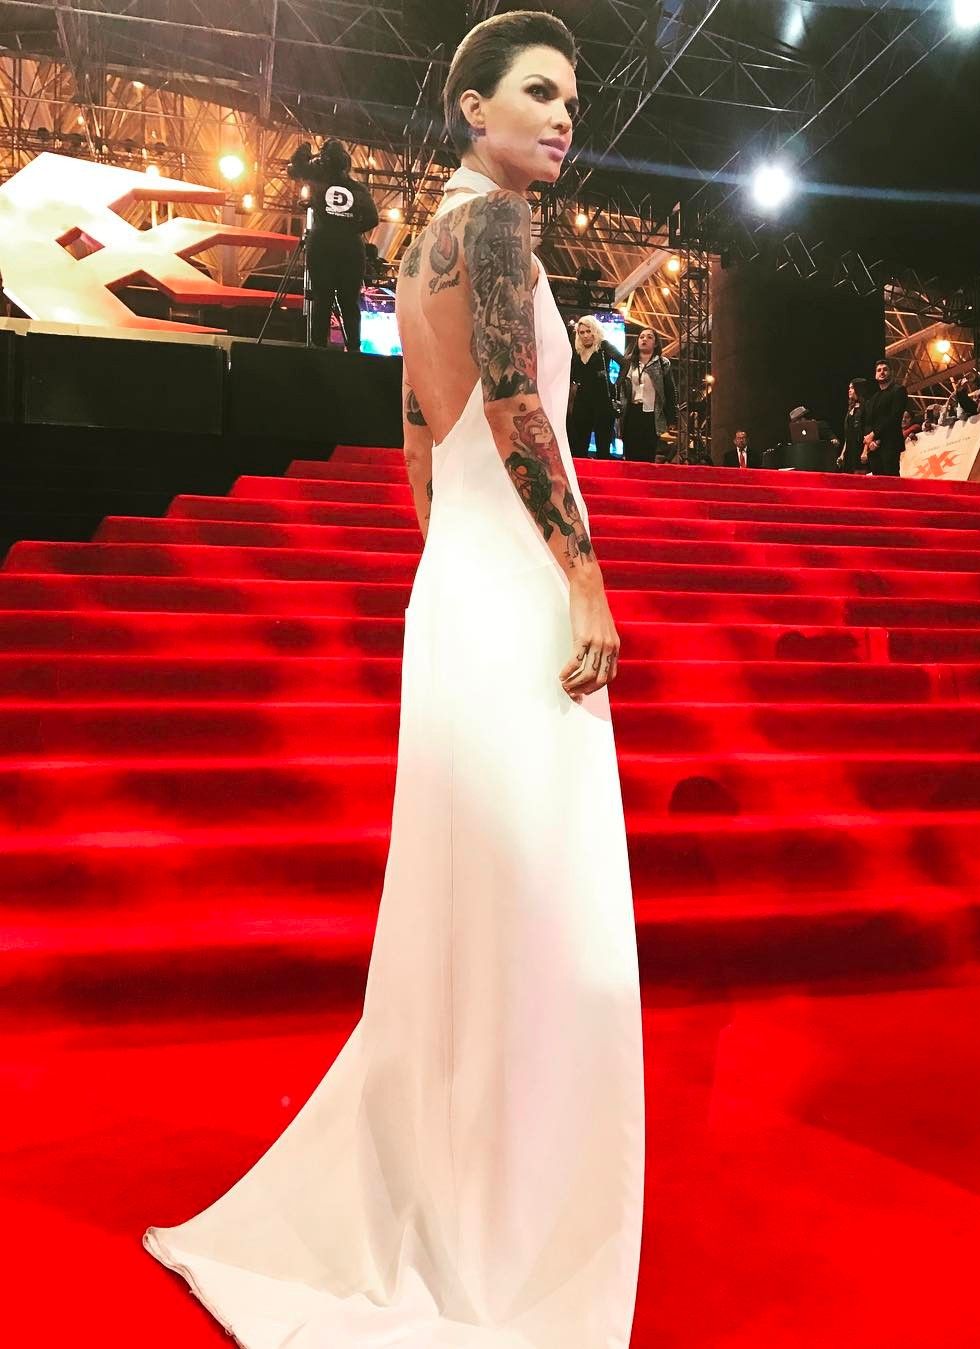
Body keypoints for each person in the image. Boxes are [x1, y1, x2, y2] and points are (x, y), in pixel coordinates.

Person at [144, 11, 646, 1349]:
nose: (565, 115)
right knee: (533, 910)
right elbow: (514, 407)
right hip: (515, 584)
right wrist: (581, 577)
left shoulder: (425, 237)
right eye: (539, 92)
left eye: (573, 97)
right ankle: (502, 1217)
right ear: (473, 106)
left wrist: (450, 558)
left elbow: (416, 424)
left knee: (468, 907)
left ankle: (452, 1181)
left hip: (457, 588)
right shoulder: (499, 230)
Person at [287, 138, 379, 350]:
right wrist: (350, 228)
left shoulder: (317, 179)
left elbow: (296, 164)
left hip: (322, 245)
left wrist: (305, 147)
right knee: (350, 302)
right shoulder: (359, 189)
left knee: (322, 298)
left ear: (324, 160)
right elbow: (373, 219)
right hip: (351, 249)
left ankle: (319, 348)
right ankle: (354, 350)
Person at [617, 326, 676, 462]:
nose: (644, 339)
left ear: (655, 344)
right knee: (630, 452)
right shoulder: (629, 362)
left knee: (647, 452)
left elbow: (670, 391)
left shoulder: (662, 363)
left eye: (649, 337)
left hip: (651, 414)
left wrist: (672, 418)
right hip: (631, 412)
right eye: (642, 337)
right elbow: (620, 385)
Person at [568, 313, 622, 458]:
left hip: (603, 401)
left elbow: (624, 363)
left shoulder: (603, 346)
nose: (585, 335)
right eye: (582, 332)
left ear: (595, 331)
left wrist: (616, 385)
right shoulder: (577, 350)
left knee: (603, 447)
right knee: (578, 447)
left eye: (589, 331)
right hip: (582, 401)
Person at [863, 357, 909, 475]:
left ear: (891, 372)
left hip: (890, 444)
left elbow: (894, 417)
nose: (882, 372)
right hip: (873, 448)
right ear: (875, 375)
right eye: (879, 370)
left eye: (885, 369)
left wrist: (874, 435)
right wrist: (870, 441)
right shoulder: (873, 398)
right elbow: (868, 421)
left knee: (891, 480)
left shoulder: (899, 390)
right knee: (878, 482)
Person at [838, 378, 872, 472]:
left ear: (859, 389)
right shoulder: (851, 407)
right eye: (849, 388)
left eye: (852, 388)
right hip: (850, 450)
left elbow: (868, 429)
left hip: (860, 448)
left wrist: (865, 451)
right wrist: (842, 454)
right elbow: (848, 434)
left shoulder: (866, 405)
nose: (849, 390)